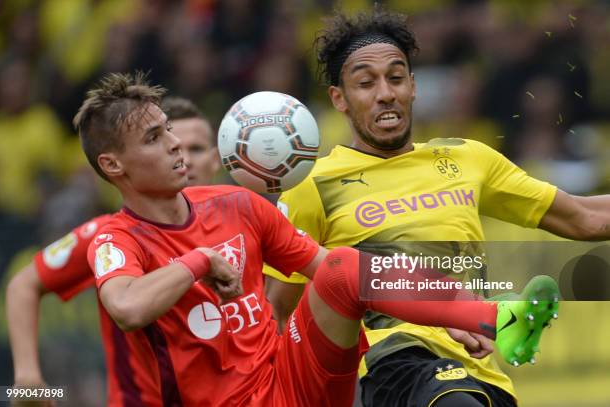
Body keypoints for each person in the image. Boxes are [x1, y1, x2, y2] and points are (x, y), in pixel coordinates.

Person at [72, 71, 559, 406]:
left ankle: (498, 317)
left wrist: (447, 310)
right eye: (154, 138)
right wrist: (200, 260)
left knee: (344, 265)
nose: (175, 143)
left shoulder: (235, 205)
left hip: (290, 381)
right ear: (113, 165)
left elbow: (345, 274)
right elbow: (128, 308)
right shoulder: (116, 240)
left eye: (168, 131)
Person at [262, 8, 610, 407]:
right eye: (365, 83)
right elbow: (277, 309)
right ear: (339, 99)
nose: (384, 93)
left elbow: (585, 218)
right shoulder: (311, 185)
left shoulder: (469, 159)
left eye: (395, 78)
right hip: (383, 366)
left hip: (479, 370)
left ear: (413, 86)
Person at [6, 96, 220, 406]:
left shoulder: (248, 219)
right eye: (159, 139)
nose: (180, 152)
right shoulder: (109, 236)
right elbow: (23, 284)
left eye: (196, 149)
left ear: (216, 160)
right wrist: (27, 377)